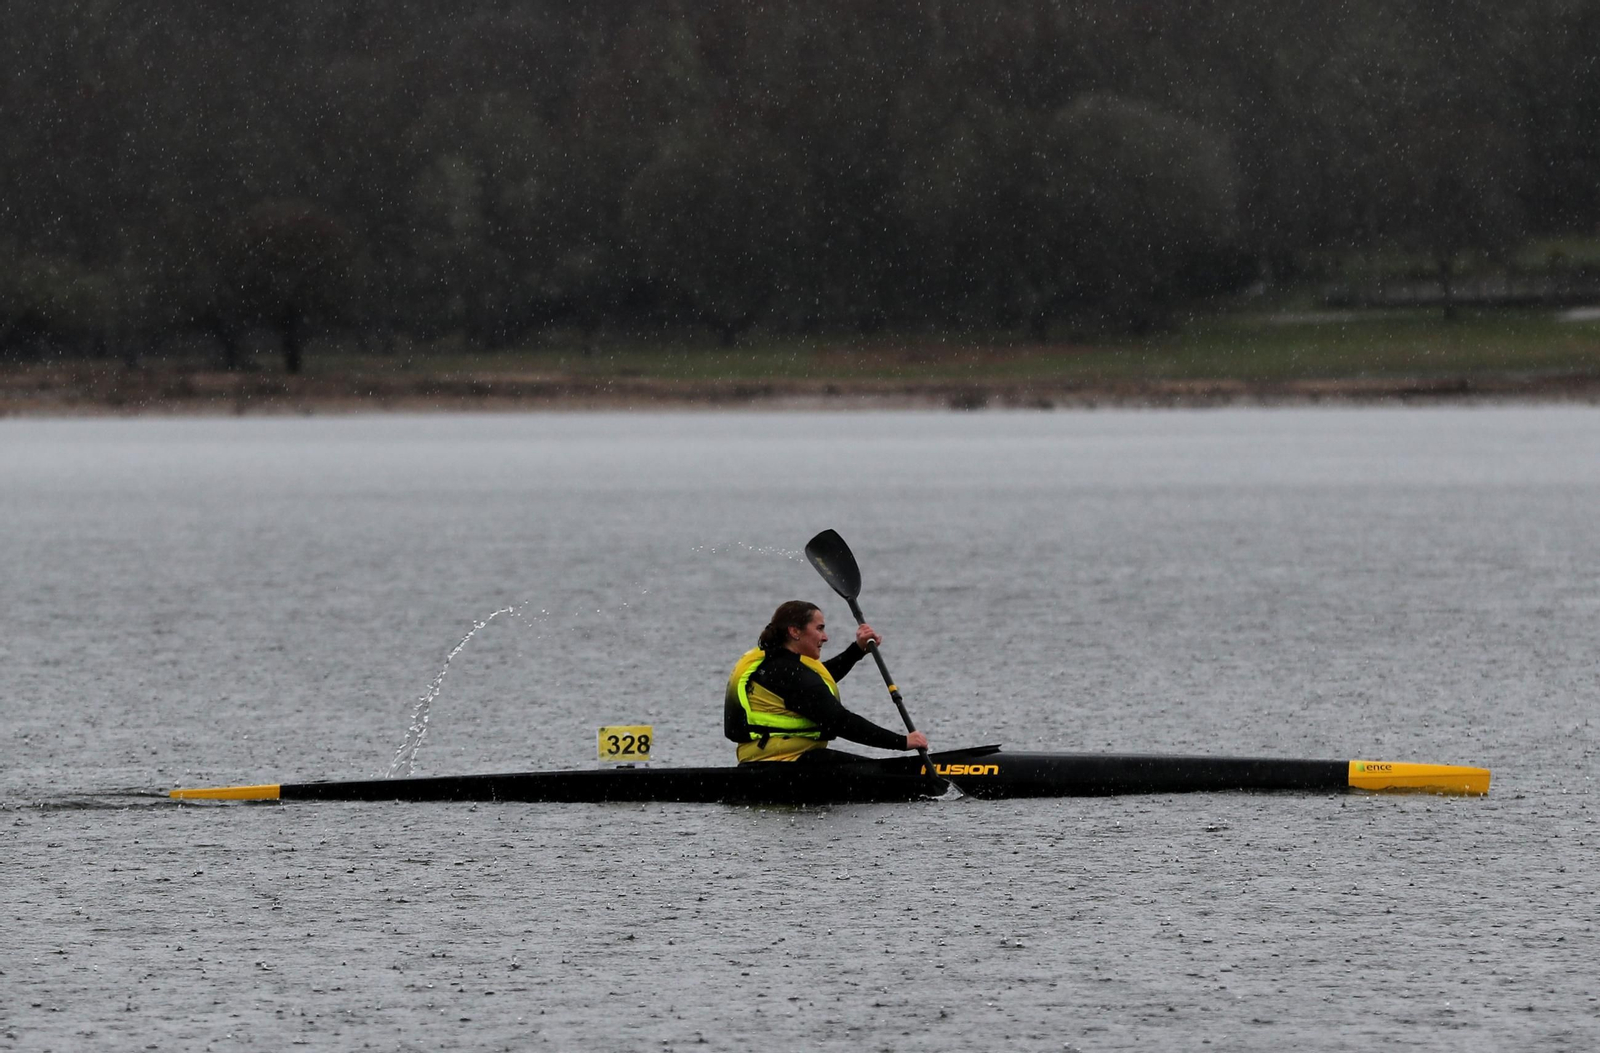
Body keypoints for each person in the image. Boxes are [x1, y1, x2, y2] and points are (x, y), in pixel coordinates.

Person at [725, 600, 931, 763]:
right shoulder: (790, 674)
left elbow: (813, 684)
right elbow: (840, 722)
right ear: (794, 631)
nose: (825, 637)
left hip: (760, 758)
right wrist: (903, 742)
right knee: (877, 773)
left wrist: (857, 650)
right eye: (820, 628)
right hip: (786, 763)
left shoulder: (772, 663)